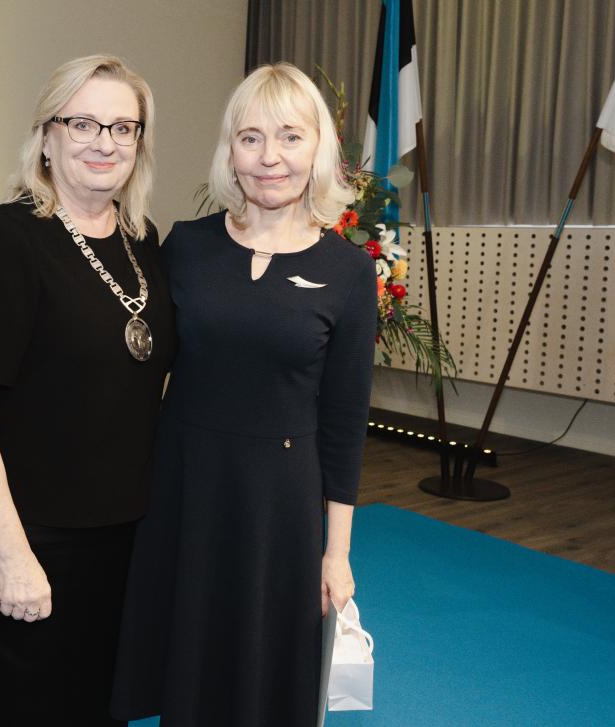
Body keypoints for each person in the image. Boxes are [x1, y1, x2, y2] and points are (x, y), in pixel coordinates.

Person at [111, 62, 376, 726]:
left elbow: (345, 422)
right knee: (188, 661)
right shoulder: (185, 246)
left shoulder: (348, 271)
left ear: (318, 149)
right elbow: (134, 366)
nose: (269, 157)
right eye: (251, 138)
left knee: (264, 674)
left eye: (290, 137)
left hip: (279, 503)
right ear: (230, 150)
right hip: (185, 489)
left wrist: (337, 553)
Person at [0, 54, 173, 726]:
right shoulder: (4, 242)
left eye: (123, 127)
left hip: (120, 540)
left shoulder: (143, 241)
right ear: (46, 136)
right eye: (83, 123)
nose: (104, 142)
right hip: (30, 538)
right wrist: (14, 556)